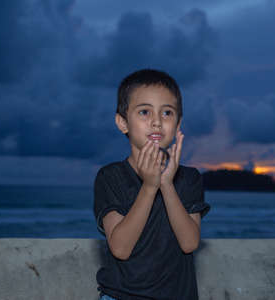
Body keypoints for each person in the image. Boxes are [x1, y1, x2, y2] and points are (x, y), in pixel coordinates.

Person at [93, 69, 211, 300]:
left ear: (178, 125)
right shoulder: (111, 177)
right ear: (122, 122)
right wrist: (149, 187)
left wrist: (166, 184)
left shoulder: (189, 178)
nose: (157, 122)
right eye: (144, 112)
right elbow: (120, 248)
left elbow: (189, 243)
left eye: (167, 112)